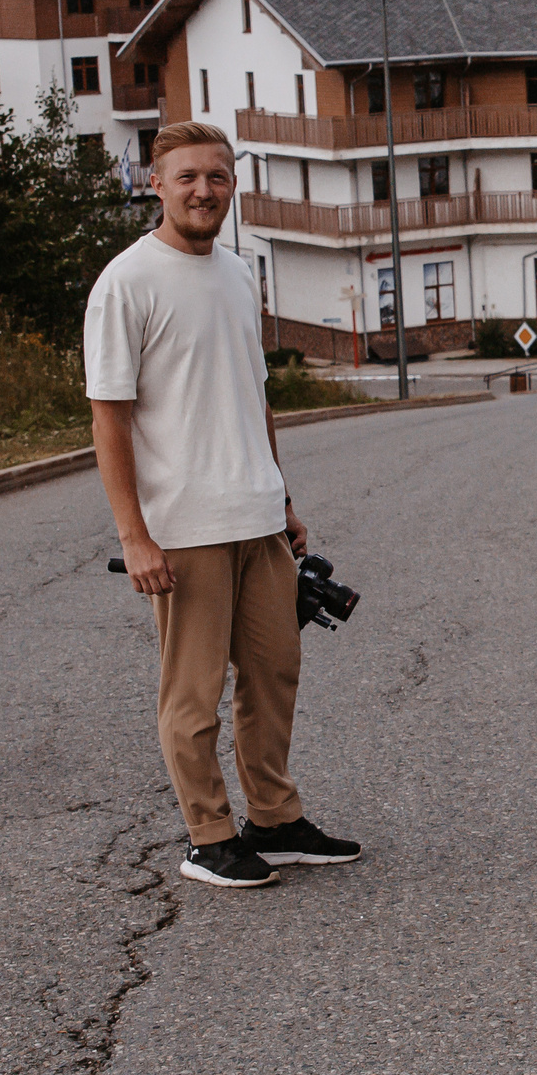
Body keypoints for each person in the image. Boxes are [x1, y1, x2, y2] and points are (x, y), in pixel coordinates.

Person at [86, 121, 360, 890]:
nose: (203, 190)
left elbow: (254, 395)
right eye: (187, 178)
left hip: (257, 514)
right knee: (194, 692)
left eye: (217, 176)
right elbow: (109, 415)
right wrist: (133, 534)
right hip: (185, 524)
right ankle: (208, 835)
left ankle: (272, 819)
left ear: (232, 184)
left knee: (275, 671)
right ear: (156, 184)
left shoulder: (239, 273)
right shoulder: (127, 281)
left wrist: (284, 497)